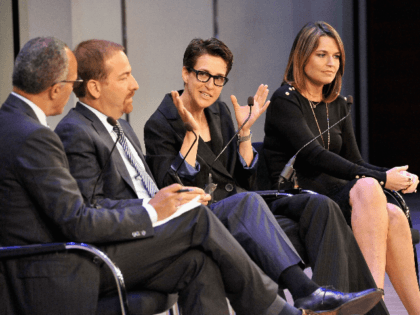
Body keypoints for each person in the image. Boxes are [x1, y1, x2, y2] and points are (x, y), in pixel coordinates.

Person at [54, 39, 381, 315]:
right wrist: (190, 141)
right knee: (242, 206)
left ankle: (331, 303)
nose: (211, 85)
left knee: (319, 206)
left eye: (219, 79)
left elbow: (244, 180)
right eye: (203, 75)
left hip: (230, 207)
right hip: (189, 217)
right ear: (186, 73)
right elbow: (161, 190)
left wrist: (244, 136)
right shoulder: (144, 124)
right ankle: (300, 295)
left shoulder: (127, 124)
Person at [1, 37, 318, 315]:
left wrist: (166, 202)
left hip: (82, 252)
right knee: (199, 219)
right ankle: (277, 309)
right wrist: (153, 210)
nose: (135, 84)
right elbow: (80, 219)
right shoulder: (45, 134)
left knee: (198, 261)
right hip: (61, 267)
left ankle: (287, 301)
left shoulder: (23, 125)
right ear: (62, 88)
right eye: (125, 76)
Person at [263, 21, 420, 314]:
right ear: (302, 57)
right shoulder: (285, 100)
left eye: (336, 56)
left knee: (394, 214)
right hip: (296, 199)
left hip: (334, 196)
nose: (331, 63)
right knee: (369, 185)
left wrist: (393, 175)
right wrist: (382, 179)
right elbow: (315, 155)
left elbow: (356, 162)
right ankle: (371, 299)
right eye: (322, 54)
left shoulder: (335, 103)